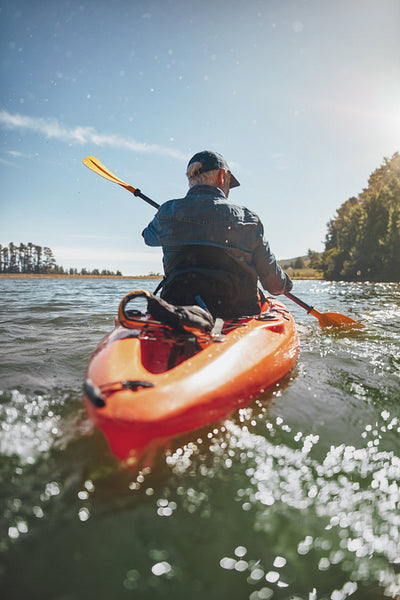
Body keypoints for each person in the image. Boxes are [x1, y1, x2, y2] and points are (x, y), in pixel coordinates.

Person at [142, 150, 293, 320]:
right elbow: (274, 285)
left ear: (191, 180)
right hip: (236, 315)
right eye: (229, 182)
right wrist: (287, 285)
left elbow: (148, 237)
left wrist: (169, 218)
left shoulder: (167, 212)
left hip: (179, 311)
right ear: (222, 176)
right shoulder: (249, 220)